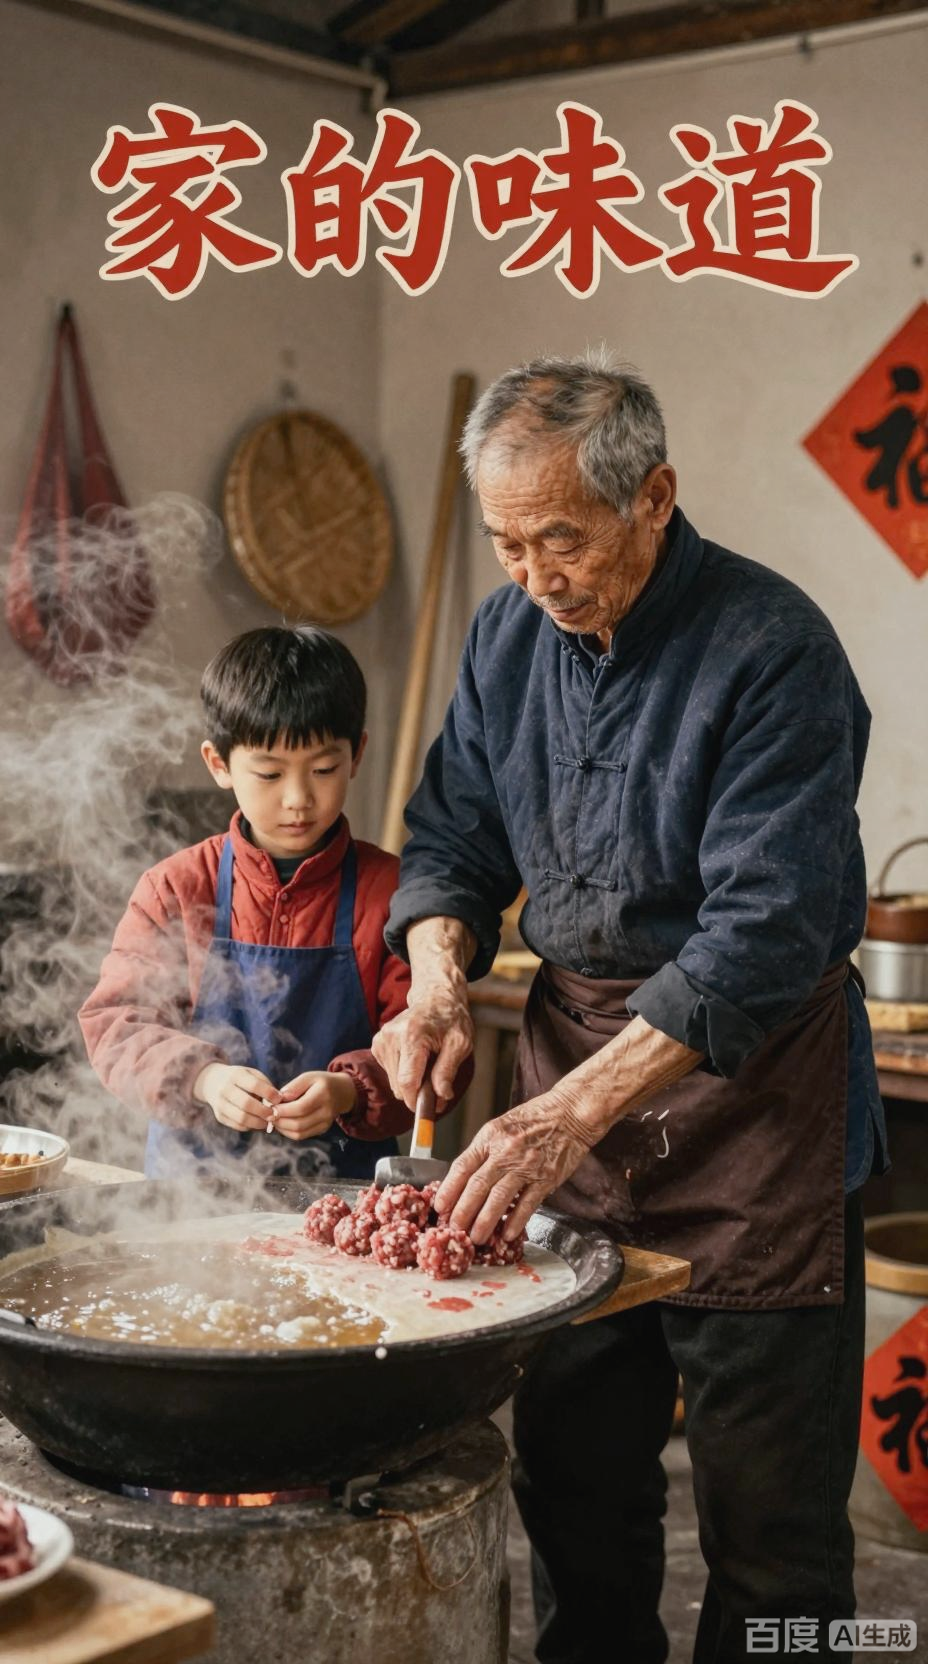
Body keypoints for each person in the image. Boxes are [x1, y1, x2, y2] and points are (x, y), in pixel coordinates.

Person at [372, 355, 889, 1664]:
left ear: (655, 496)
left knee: (772, 1537)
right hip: (570, 1102)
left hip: (753, 1111)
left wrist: (564, 1114)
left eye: (562, 537)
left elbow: (763, 932)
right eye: (504, 541)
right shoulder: (505, 639)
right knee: (576, 1494)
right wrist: (436, 979)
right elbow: (452, 840)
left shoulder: (773, 651)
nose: (534, 574)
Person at [81, 625, 422, 1182]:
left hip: (343, 1196)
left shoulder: (392, 893)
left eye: (323, 769)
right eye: (268, 773)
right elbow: (116, 1025)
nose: (298, 799)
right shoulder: (175, 889)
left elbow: (431, 1049)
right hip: (192, 1198)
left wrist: (349, 1089)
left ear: (357, 753)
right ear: (218, 764)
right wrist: (203, 1079)